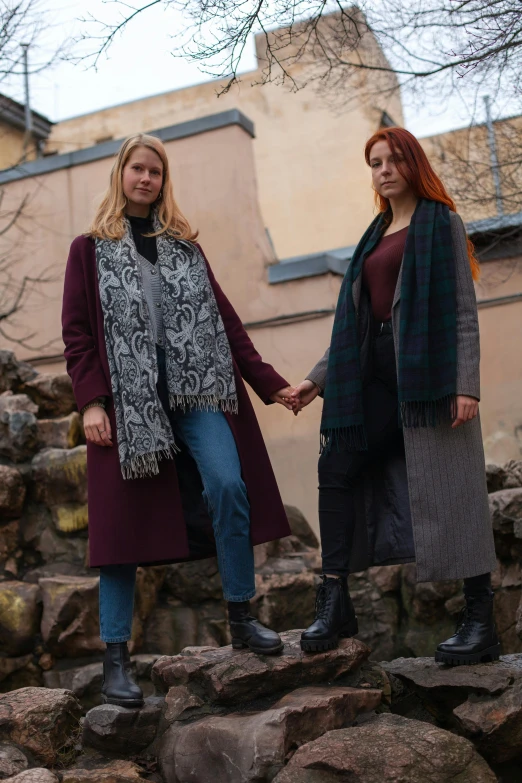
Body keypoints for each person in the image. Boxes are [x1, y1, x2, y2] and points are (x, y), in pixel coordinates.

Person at [62, 133, 294, 708]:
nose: (146, 179)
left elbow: (226, 322)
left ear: (164, 182)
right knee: (118, 537)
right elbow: (77, 335)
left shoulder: (185, 247)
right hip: (126, 403)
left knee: (227, 484)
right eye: (137, 169)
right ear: (121, 174)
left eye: (156, 172)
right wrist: (92, 402)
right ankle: (116, 659)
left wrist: (271, 385)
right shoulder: (88, 249)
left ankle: (241, 615)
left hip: (197, 392)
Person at [291, 126, 499, 666]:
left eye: (392, 160)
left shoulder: (442, 223)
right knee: (336, 466)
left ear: (412, 164)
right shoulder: (374, 235)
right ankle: (334, 600)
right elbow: (355, 323)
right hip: (373, 376)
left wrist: (466, 385)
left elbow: (461, 310)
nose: (383, 170)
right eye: (374, 162)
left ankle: (480, 620)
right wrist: (317, 380)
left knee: (455, 492)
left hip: (429, 377)